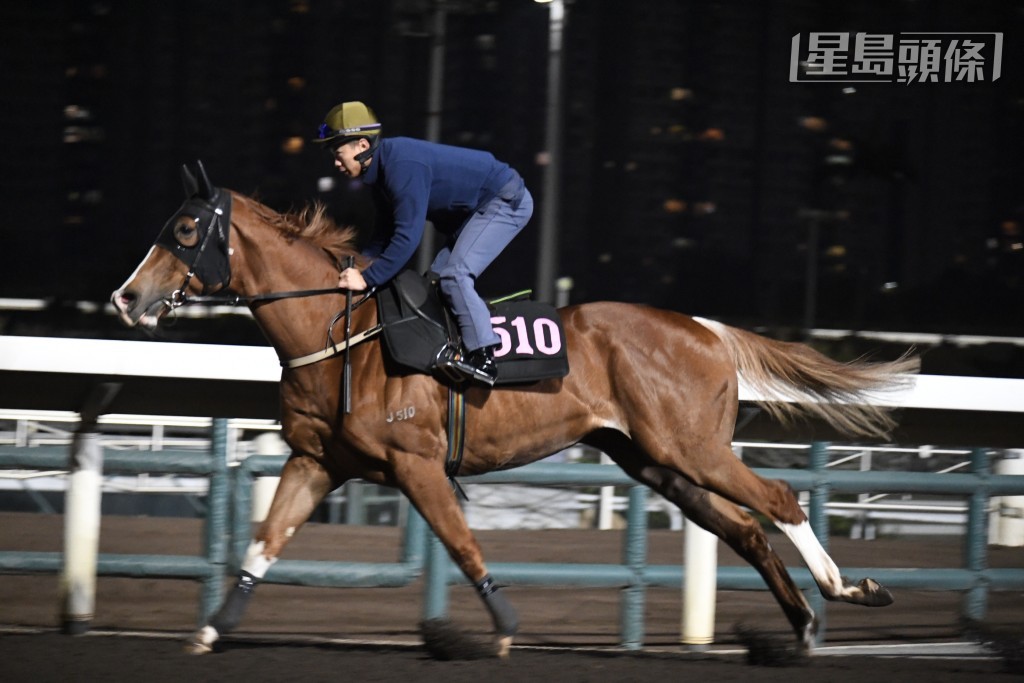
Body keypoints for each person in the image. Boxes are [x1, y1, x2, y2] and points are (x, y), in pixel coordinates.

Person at [313, 101, 534, 386]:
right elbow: (384, 233)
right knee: (435, 282)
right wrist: (358, 264)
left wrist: (367, 279)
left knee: (454, 276)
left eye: (338, 153)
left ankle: (484, 357)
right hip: (473, 213)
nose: (336, 162)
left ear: (362, 145)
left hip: (504, 202)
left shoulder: (401, 166)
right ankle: (456, 348)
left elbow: (407, 238)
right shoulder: (380, 173)